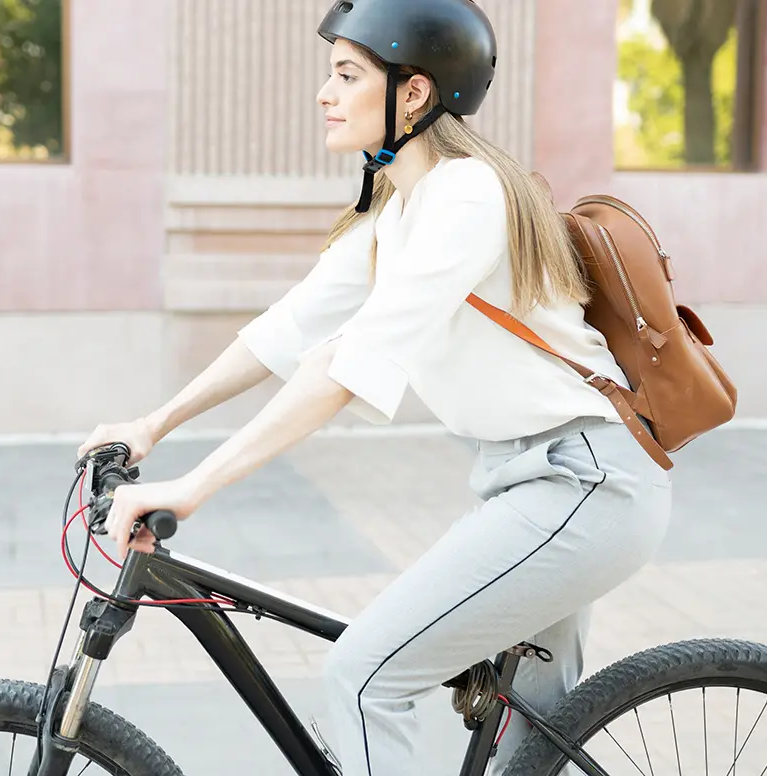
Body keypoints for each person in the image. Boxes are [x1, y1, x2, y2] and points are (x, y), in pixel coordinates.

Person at [79, 0, 673, 772]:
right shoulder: (400, 211)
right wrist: (153, 425)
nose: (325, 93)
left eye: (347, 75)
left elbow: (345, 365)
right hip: (537, 486)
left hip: (584, 486)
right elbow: (288, 331)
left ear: (414, 92)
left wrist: (193, 486)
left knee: (364, 677)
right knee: (526, 746)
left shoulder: (467, 196)